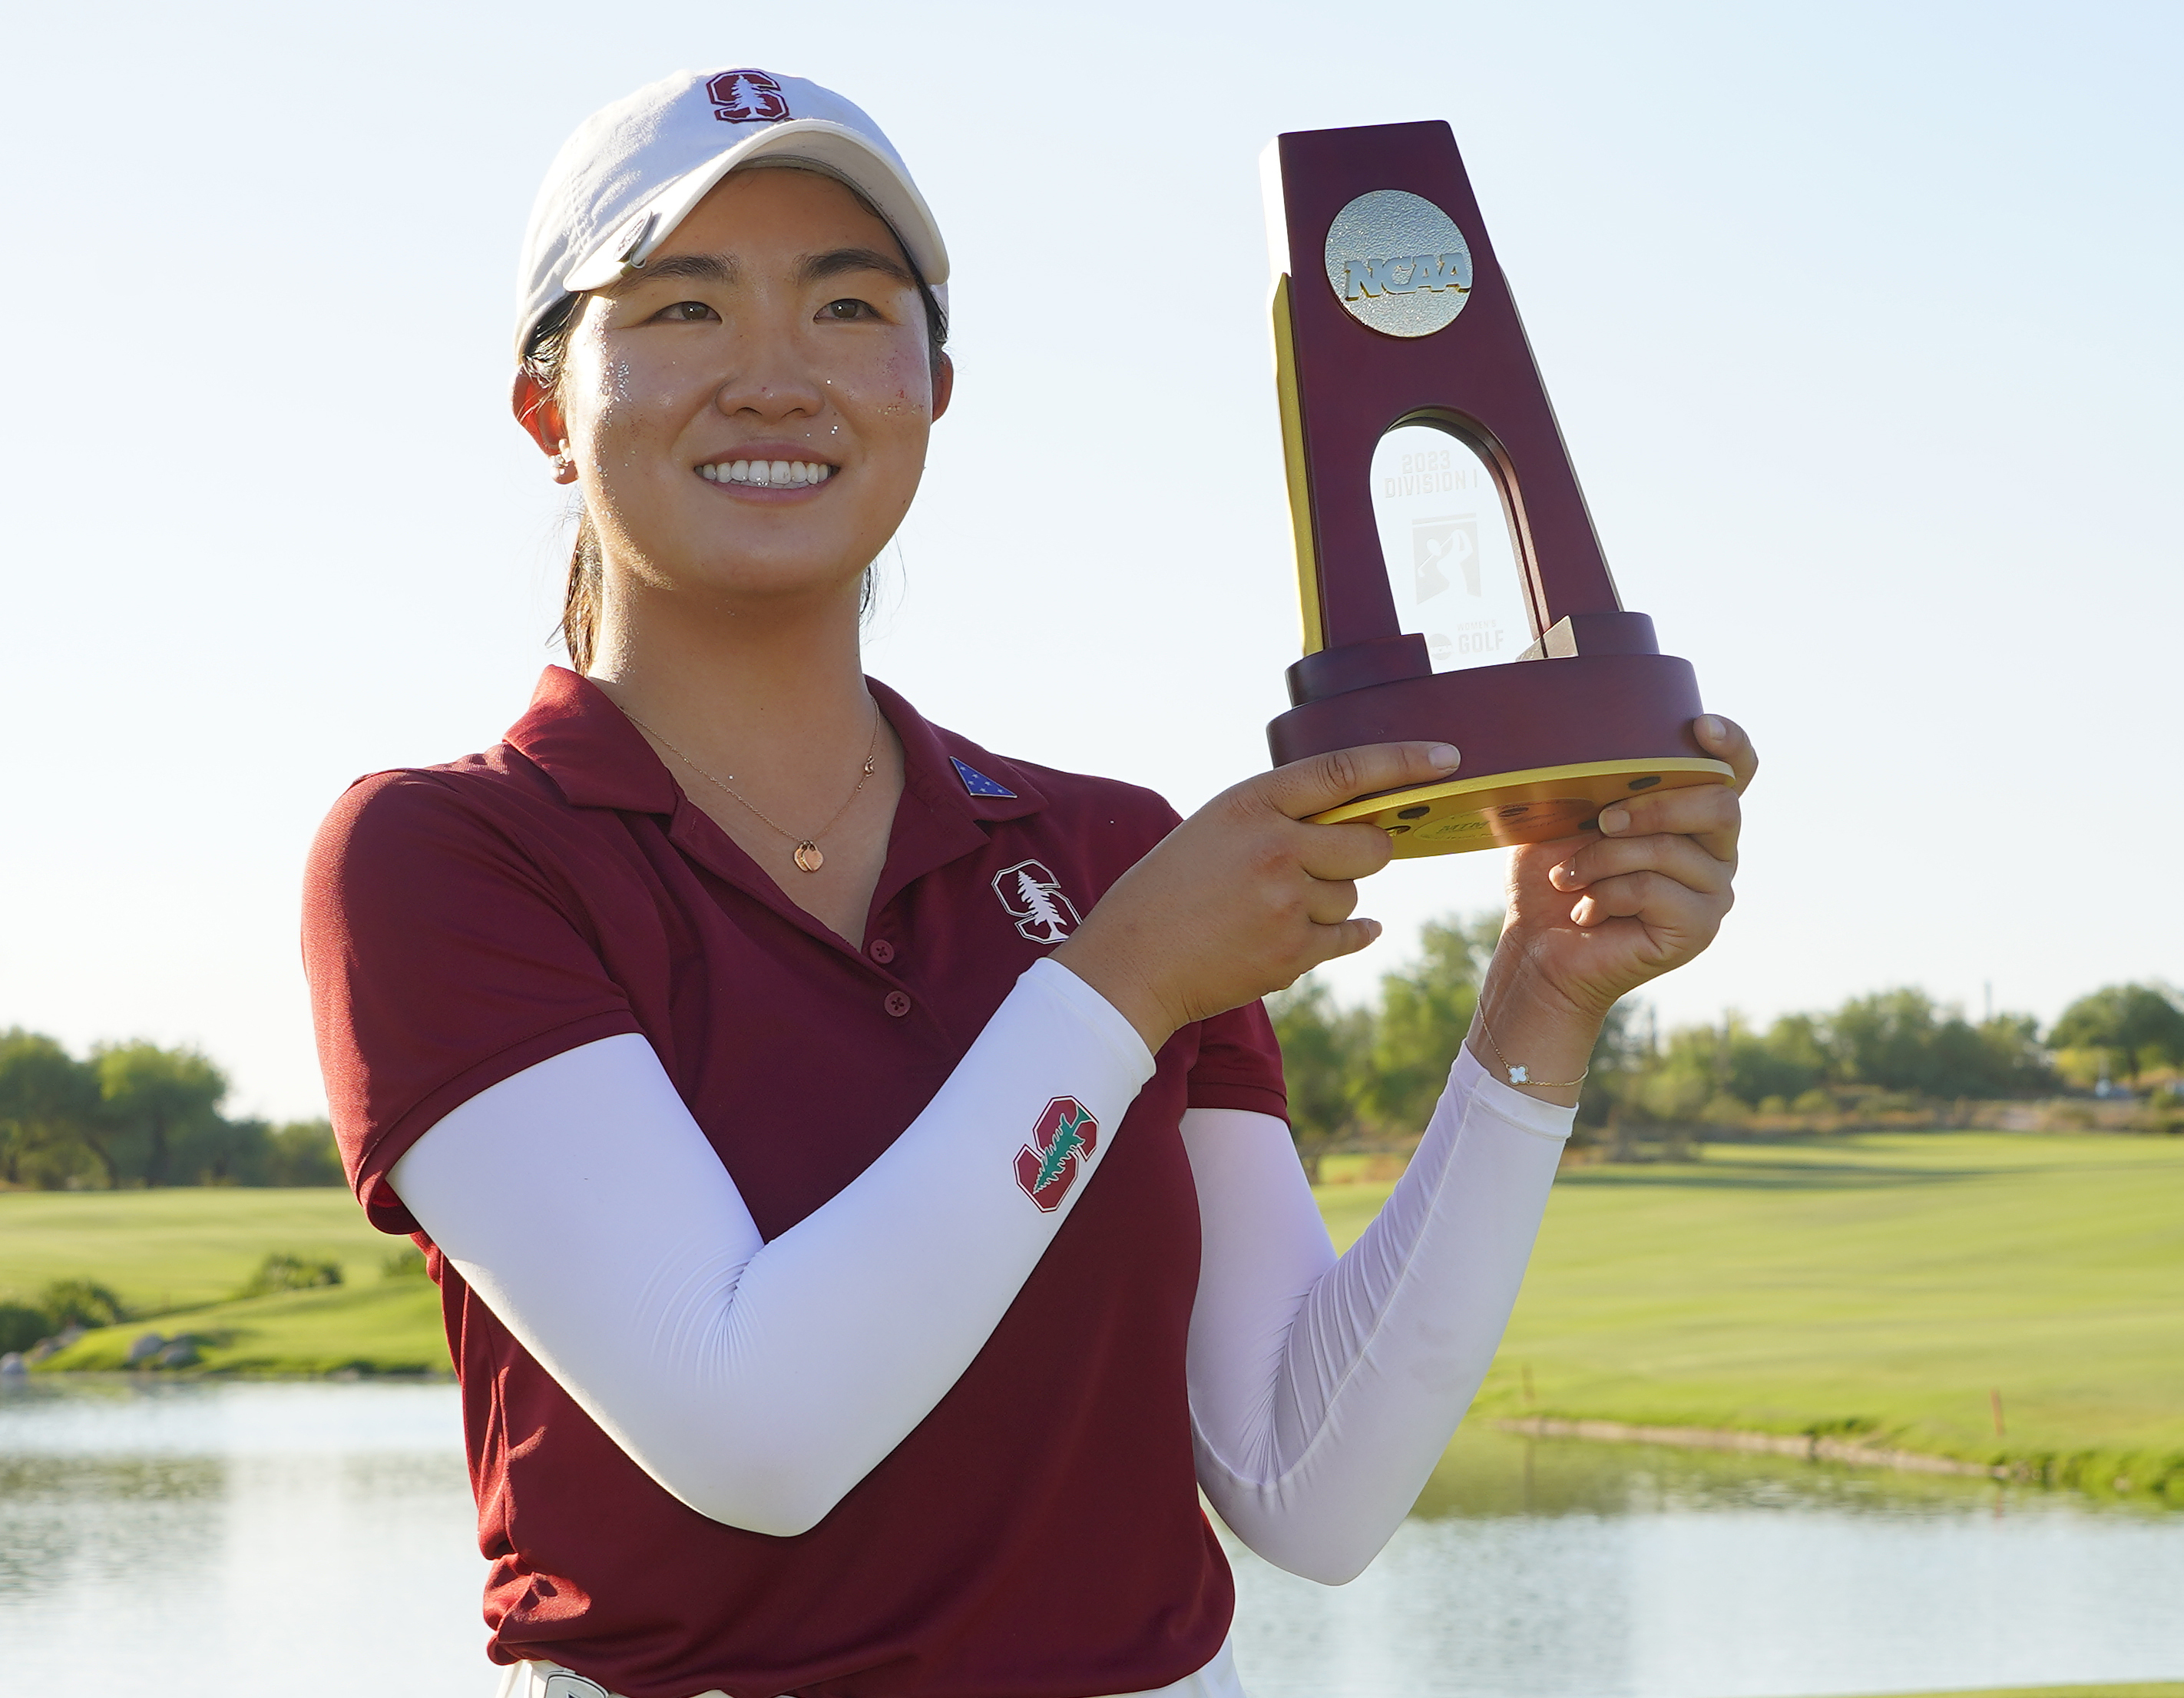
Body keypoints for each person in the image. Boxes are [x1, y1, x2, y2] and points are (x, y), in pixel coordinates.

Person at [302, 65, 1755, 1698]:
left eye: (847, 304)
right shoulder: (447, 857)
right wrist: (1118, 991)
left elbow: (1304, 1477)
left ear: (933, 384)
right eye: (682, 307)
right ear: (546, 405)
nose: (775, 375)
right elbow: (758, 1431)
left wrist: (1537, 1001)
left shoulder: (1102, 855)